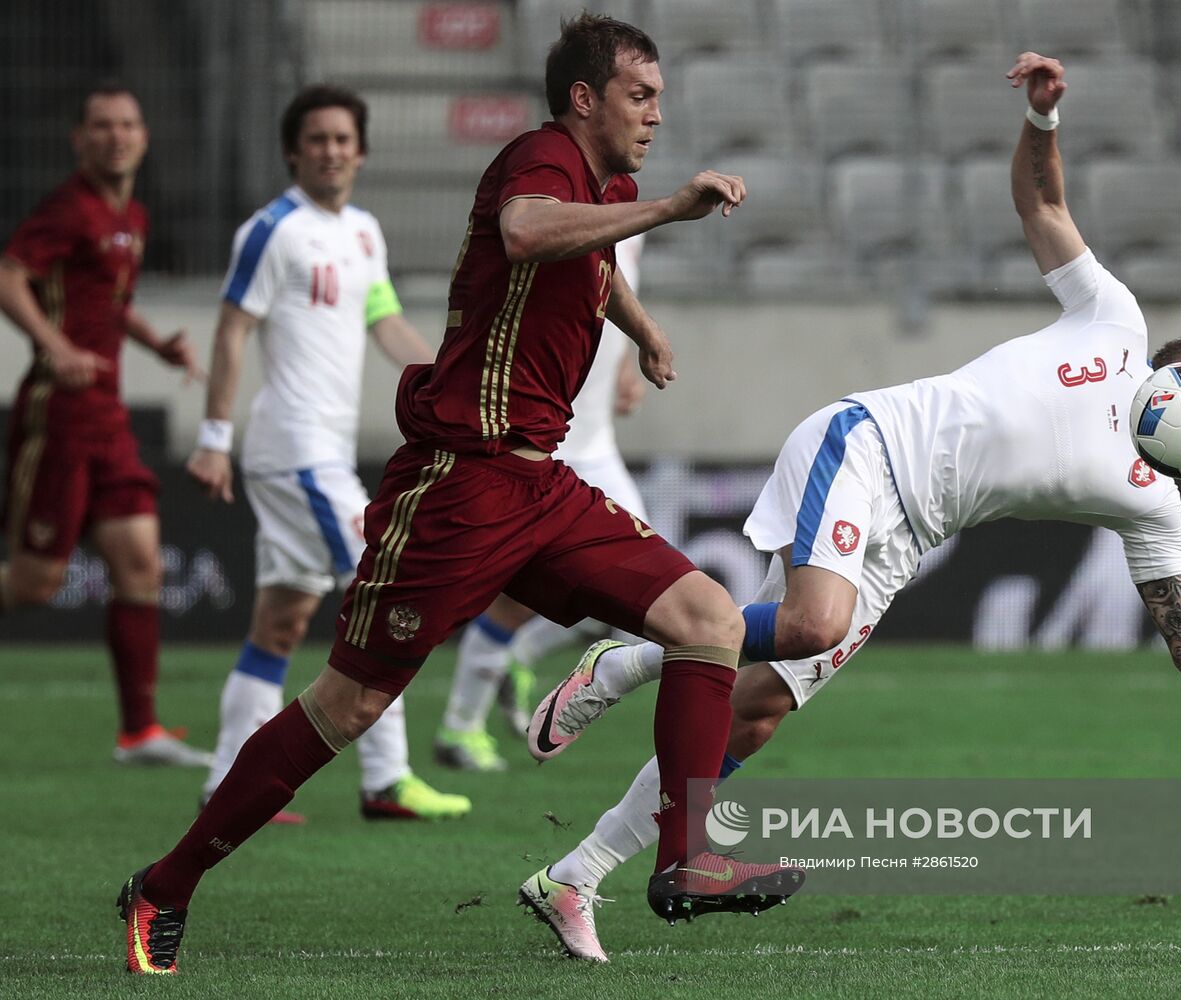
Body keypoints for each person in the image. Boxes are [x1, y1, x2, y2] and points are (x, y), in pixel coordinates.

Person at [516, 51, 1181, 963]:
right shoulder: (1113, 323)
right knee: (806, 624)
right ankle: (631, 658)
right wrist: (1041, 122)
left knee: (753, 713)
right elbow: (1042, 208)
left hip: (907, 536)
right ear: (1174, 372)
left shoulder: (1153, 504)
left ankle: (576, 873)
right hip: (870, 442)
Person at [118, 14, 803, 976]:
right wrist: (664, 213)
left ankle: (684, 859)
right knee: (347, 705)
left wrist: (640, 328)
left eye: (658, 98)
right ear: (582, 98)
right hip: (460, 481)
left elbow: (588, 266)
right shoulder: (539, 158)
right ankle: (164, 884)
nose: (656, 114)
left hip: (540, 482)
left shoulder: (601, 185)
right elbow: (527, 234)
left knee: (706, 619)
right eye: (639, 96)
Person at [186, 85, 471, 823]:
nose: (331, 150)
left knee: (280, 621)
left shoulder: (364, 233)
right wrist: (214, 438)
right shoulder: (271, 230)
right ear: (294, 150)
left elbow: (384, 325)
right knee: (388, 583)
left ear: (362, 151)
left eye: (343, 139)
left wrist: (450, 382)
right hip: (295, 449)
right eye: (317, 139)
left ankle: (225, 778)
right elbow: (229, 332)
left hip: (317, 454)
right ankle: (386, 777)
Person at [0, 83, 209, 766]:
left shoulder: (133, 216)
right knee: (32, 584)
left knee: (140, 564)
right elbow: (9, 276)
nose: (117, 136)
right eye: (102, 126)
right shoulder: (67, 208)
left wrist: (156, 345)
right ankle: (139, 730)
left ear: (143, 137)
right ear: (79, 139)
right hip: (56, 416)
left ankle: (139, 733)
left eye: (127, 124)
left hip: (108, 418)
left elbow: (110, 301)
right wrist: (53, 347)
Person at [435, 234, 650, 771]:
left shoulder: (631, 214)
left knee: (646, 585)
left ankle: (514, 663)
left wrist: (624, 359)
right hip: (546, 447)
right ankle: (459, 730)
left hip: (597, 446)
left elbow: (613, 295)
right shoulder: (550, 208)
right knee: (516, 597)